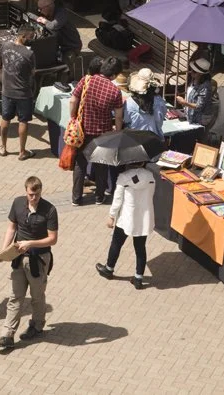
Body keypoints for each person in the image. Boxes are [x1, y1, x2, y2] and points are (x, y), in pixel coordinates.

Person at [0, 176, 58, 349]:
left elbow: (52, 239)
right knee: (15, 297)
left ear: (40, 192)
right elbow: (11, 228)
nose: (33, 198)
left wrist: (31, 243)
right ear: (26, 191)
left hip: (39, 259)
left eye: (36, 194)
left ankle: (37, 326)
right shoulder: (17, 203)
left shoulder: (50, 210)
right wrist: (4, 251)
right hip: (18, 258)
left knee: (37, 297)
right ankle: (7, 334)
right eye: (31, 194)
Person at [70, 56, 124, 206]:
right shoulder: (115, 91)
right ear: (114, 75)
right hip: (103, 133)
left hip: (83, 130)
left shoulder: (87, 80)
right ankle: (99, 197)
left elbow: (73, 100)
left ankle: (76, 198)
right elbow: (118, 117)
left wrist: (73, 117)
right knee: (101, 165)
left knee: (80, 164)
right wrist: (117, 132)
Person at [96, 161, 156, 289]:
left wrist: (111, 216)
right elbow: (151, 194)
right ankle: (139, 278)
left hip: (127, 218)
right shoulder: (150, 176)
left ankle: (109, 269)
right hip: (144, 218)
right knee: (140, 248)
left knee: (116, 243)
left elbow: (117, 199)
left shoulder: (123, 177)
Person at [0, 26, 37, 160]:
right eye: (30, 37)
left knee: (5, 118)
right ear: (22, 36)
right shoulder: (29, 54)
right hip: (23, 93)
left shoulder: (4, 46)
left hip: (7, 91)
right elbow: (32, 73)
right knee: (23, 121)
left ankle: (3, 147)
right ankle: (22, 151)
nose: (31, 40)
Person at [36, 0, 82, 76]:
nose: (39, 11)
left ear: (48, 7)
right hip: (59, 45)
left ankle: (67, 80)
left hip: (71, 47)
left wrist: (44, 21)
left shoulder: (61, 13)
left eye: (41, 8)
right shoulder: (49, 12)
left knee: (64, 68)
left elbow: (54, 26)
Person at [123, 68, 165, 138]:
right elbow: (160, 119)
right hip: (156, 139)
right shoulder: (159, 101)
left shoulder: (129, 103)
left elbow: (126, 120)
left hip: (135, 140)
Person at [175, 58, 213, 125]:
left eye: (194, 71)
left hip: (200, 119)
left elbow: (199, 106)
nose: (191, 72)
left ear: (201, 74)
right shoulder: (194, 80)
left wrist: (184, 102)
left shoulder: (205, 87)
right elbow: (193, 95)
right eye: (191, 69)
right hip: (191, 115)